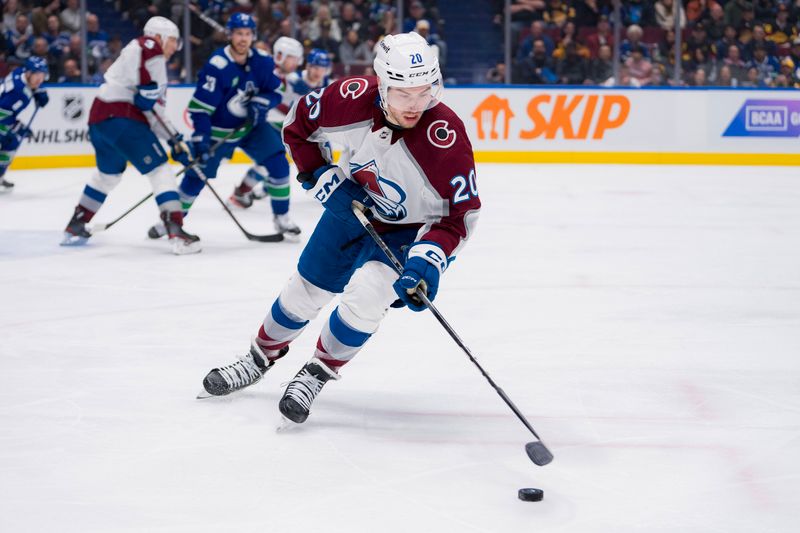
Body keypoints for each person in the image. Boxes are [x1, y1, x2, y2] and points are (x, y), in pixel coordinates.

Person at [199, 32, 481, 425]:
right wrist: (321, 177)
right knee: (305, 290)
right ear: (381, 83)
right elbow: (298, 127)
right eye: (403, 94)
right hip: (349, 212)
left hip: (407, 233)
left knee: (367, 297)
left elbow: (460, 215)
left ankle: (316, 373)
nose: (416, 104)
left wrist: (429, 260)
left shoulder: (444, 136)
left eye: (425, 91)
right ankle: (257, 358)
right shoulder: (349, 98)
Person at [61, 17, 201, 254]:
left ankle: (76, 224)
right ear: (160, 36)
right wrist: (173, 137)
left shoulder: (142, 57)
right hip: (122, 119)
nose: (174, 47)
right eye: (173, 41)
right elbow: (146, 97)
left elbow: (152, 110)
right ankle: (175, 230)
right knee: (160, 170)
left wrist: (175, 140)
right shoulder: (149, 47)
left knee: (107, 176)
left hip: (100, 120)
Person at [145, 14, 284, 241]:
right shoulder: (217, 65)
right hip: (218, 131)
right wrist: (201, 138)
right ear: (230, 35)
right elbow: (200, 110)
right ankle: (171, 221)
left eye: (247, 34)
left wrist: (264, 102)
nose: (243, 38)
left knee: (278, 160)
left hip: (250, 128)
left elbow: (276, 92)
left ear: (253, 36)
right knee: (196, 176)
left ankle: (282, 218)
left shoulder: (262, 61)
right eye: (239, 33)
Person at [225, 38, 318, 239]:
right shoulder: (266, 72)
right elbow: (269, 100)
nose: (295, 62)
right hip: (264, 125)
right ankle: (242, 193)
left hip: (278, 126)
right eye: (291, 58)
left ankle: (245, 194)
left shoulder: (290, 77)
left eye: (296, 58)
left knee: (272, 164)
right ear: (280, 55)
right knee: (271, 164)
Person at [0, 56, 49, 192]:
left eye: (42, 75)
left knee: (11, 143)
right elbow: (2, 113)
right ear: (28, 73)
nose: (40, 79)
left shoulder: (20, 73)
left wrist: (38, 90)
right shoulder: (18, 93)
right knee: (10, 140)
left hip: (4, 116)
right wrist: (18, 127)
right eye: (37, 74)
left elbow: (32, 83)